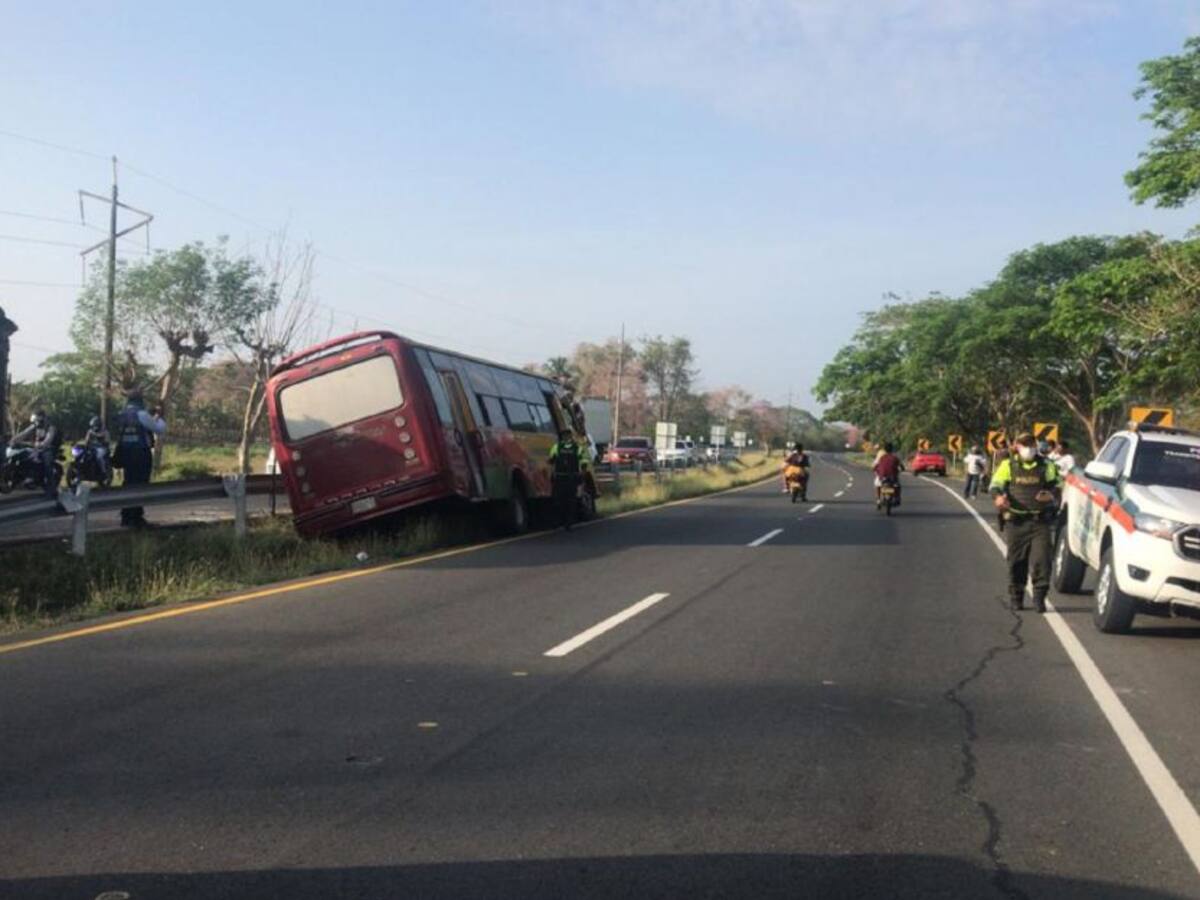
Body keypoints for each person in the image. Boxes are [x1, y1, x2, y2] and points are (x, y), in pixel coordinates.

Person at [990, 432, 1062, 613]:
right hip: (1016, 521)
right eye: (1023, 445)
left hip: (1040, 521)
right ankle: (1017, 597)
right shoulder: (1008, 465)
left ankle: (1039, 598)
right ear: (1016, 446)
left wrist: (1051, 494)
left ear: (1036, 445)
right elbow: (995, 484)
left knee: (1042, 561)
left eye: (1030, 444)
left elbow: (1057, 484)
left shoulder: (1047, 465)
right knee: (1016, 561)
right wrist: (998, 497)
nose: (1028, 448)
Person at [114, 389, 166, 527]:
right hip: (140, 453)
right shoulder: (142, 414)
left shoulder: (122, 414)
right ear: (140, 400)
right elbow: (159, 429)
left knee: (128, 482)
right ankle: (136, 517)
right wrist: (160, 416)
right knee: (141, 484)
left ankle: (126, 517)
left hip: (125, 453)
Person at [12, 409, 62, 498]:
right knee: (24, 455)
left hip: (49, 449)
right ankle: (27, 477)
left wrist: (41, 445)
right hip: (37, 448)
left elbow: (49, 440)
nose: (36, 422)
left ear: (43, 419)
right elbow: (24, 433)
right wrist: (14, 440)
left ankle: (52, 489)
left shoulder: (50, 427)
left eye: (38, 420)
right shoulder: (35, 426)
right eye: (35, 421)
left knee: (47, 465)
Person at [548, 428, 588, 531]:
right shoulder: (556, 447)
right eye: (564, 436)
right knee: (558, 501)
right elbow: (551, 461)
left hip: (572, 478)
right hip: (560, 477)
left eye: (568, 436)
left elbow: (583, 461)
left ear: (571, 436)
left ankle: (568, 523)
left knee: (570, 502)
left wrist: (582, 474)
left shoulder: (577, 448)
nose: (566, 438)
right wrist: (552, 474)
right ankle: (557, 522)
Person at [873, 442, 904, 507]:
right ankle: (897, 498)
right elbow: (901, 466)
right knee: (898, 486)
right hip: (892, 477)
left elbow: (876, 465)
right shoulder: (895, 457)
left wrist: (876, 470)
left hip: (883, 477)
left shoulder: (881, 456)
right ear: (892, 449)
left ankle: (878, 499)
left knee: (878, 485)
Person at [83, 415, 111, 480]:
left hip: (102, 448)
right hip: (92, 448)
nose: (95, 427)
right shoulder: (90, 432)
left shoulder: (105, 432)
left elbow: (107, 442)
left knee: (99, 457)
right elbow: (86, 440)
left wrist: (102, 442)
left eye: (96, 425)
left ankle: (103, 471)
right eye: (93, 425)